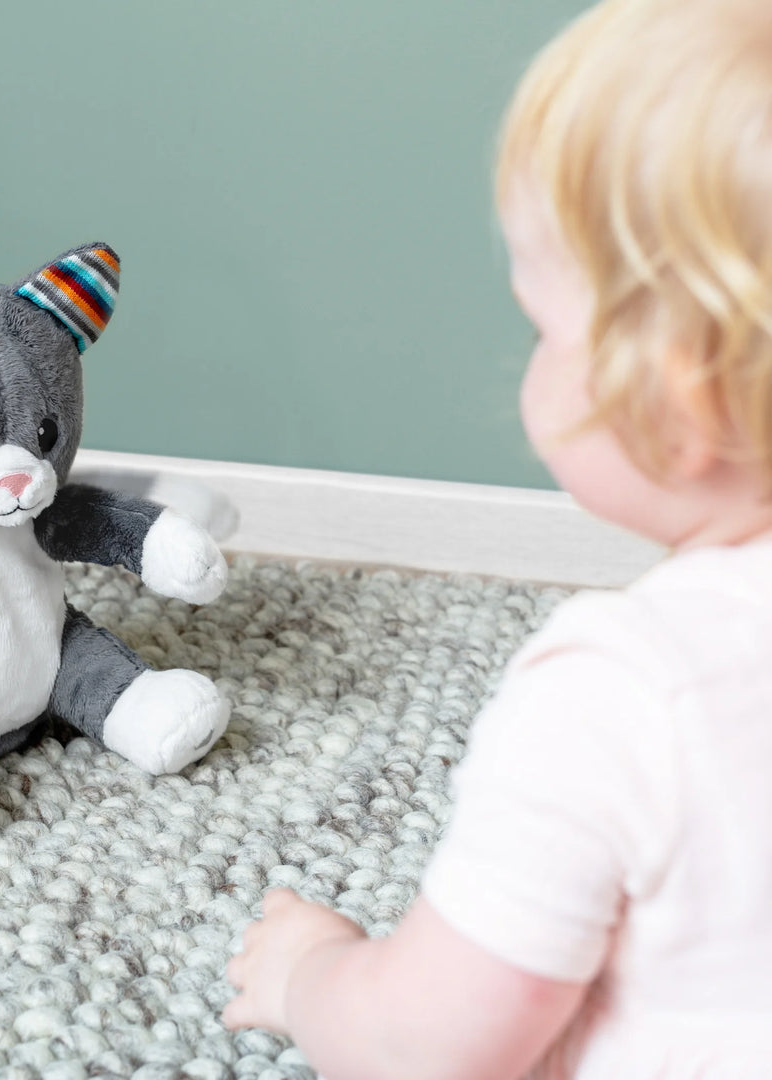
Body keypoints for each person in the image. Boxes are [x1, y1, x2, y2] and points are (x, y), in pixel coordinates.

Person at [223, 1, 772, 1076]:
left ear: (679, 402)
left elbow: (428, 1048)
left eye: (542, 324)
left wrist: (311, 972)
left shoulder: (624, 697)